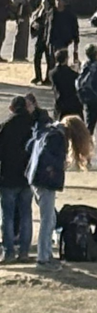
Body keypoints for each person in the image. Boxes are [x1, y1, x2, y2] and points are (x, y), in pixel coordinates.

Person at [26, 116, 68, 266]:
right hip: (45, 181)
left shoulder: (44, 132)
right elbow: (45, 154)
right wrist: (56, 166)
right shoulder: (57, 137)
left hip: (35, 178)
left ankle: (46, 254)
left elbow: (29, 147)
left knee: (50, 219)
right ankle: (43, 258)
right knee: (47, 220)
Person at [0, 94, 36, 262]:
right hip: (28, 176)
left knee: (7, 216)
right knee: (26, 215)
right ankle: (24, 252)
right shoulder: (33, 126)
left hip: (7, 176)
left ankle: (8, 252)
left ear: (12, 108)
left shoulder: (5, 127)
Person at [50, 49, 82, 121]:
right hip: (72, 102)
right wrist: (77, 69)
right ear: (66, 59)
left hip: (59, 101)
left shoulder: (52, 73)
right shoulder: (72, 73)